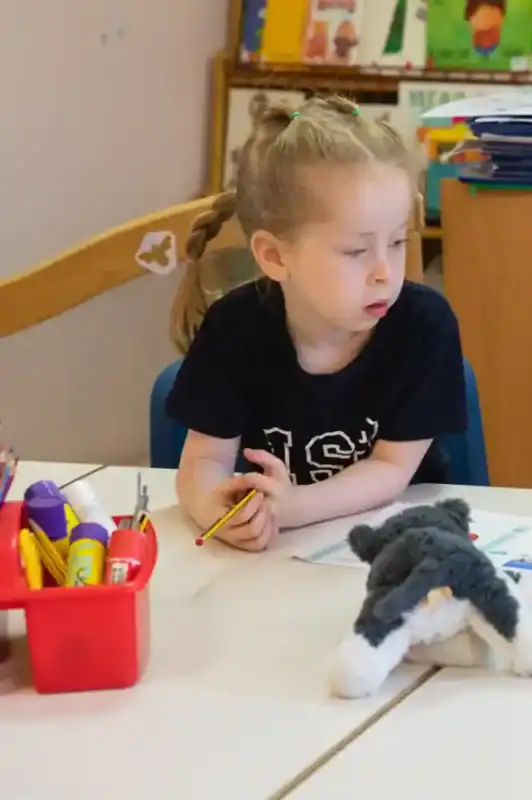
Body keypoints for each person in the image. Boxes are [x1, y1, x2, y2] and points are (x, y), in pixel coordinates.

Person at [167, 95, 467, 553]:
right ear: (274, 256)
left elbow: (391, 469)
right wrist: (217, 508)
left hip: (398, 547)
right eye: (356, 251)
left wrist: (294, 506)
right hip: (277, 566)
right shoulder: (234, 327)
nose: (386, 272)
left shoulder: (424, 325)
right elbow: (204, 458)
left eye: (397, 242)